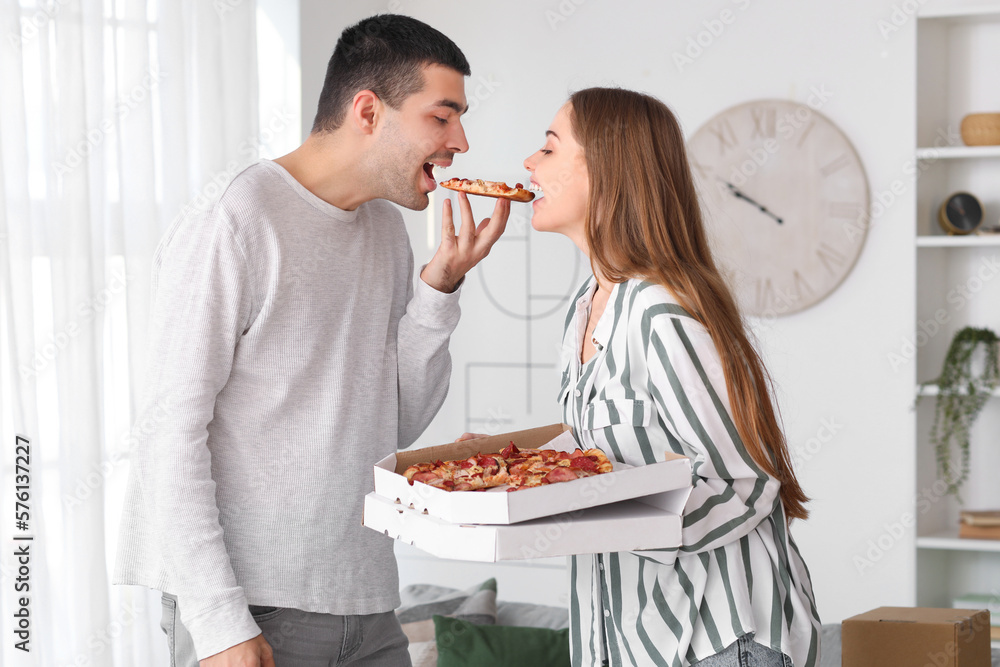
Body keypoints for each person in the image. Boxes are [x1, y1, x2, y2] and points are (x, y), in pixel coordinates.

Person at [114, 14, 509, 667]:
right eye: (442, 117)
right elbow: (168, 432)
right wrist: (218, 622)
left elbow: (394, 419)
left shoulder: (386, 231)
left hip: (370, 601)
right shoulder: (237, 218)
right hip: (252, 609)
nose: (460, 141)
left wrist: (438, 288)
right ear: (367, 111)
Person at [522, 87, 821, 667]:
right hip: (636, 640)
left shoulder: (662, 313)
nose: (530, 164)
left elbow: (746, 482)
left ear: (605, 171)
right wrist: (511, 467)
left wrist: (602, 518)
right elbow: (609, 451)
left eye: (549, 149)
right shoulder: (585, 306)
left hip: (719, 640)